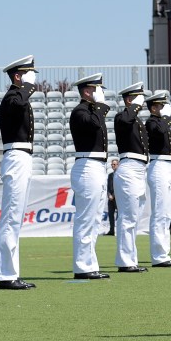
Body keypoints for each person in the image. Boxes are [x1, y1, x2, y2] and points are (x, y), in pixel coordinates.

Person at [0, 55, 38, 291]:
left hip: (23, 156)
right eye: (28, 74)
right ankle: (5, 274)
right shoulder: (13, 97)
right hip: (15, 157)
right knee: (11, 217)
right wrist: (28, 85)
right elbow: (20, 102)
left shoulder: (18, 97)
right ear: (18, 76)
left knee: (16, 218)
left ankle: (11, 272)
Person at [69, 73, 110, 280]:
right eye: (96, 89)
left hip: (98, 166)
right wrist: (101, 105)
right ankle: (82, 266)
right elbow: (93, 124)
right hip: (87, 165)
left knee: (94, 220)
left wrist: (100, 106)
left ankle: (89, 264)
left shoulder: (93, 111)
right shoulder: (80, 111)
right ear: (87, 91)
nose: (100, 93)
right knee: (86, 219)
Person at [113, 82, 149, 273]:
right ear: (129, 99)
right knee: (127, 218)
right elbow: (126, 119)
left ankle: (130, 259)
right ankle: (125, 261)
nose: (141, 103)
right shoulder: (122, 117)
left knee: (134, 217)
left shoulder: (136, 120)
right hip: (128, 167)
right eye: (137, 97)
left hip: (140, 169)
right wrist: (134, 105)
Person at [145, 92, 171, 267]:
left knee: (165, 214)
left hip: (166, 166)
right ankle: (159, 256)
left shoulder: (160, 122)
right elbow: (159, 131)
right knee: (160, 213)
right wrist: (166, 117)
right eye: (160, 106)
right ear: (153, 108)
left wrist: (166, 118)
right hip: (158, 165)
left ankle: (164, 254)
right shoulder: (152, 123)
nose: (163, 108)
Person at [106, 159, 118, 236]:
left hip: (118, 198)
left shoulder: (120, 174)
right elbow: (108, 186)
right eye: (112, 164)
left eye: (114, 164)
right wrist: (108, 194)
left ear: (118, 165)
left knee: (120, 215)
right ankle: (111, 230)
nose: (113, 166)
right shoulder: (110, 175)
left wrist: (113, 195)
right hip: (110, 199)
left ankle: (120, 230)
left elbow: (118, 186)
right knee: (110, 214)